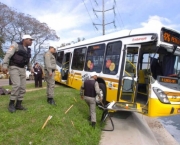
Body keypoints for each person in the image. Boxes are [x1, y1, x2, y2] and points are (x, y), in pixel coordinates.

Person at [2, 34, 34, 113]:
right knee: (17, 85)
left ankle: (18, 104)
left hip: (22, 68)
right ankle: (11, 104)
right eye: (30, 40)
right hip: (14, 67)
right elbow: (8, 55)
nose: (31, 42)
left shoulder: (28, 49)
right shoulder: (15, 45)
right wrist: (5, 65)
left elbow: (28, 61)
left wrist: (31, 68)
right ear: (25, 39)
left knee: (22, 87)